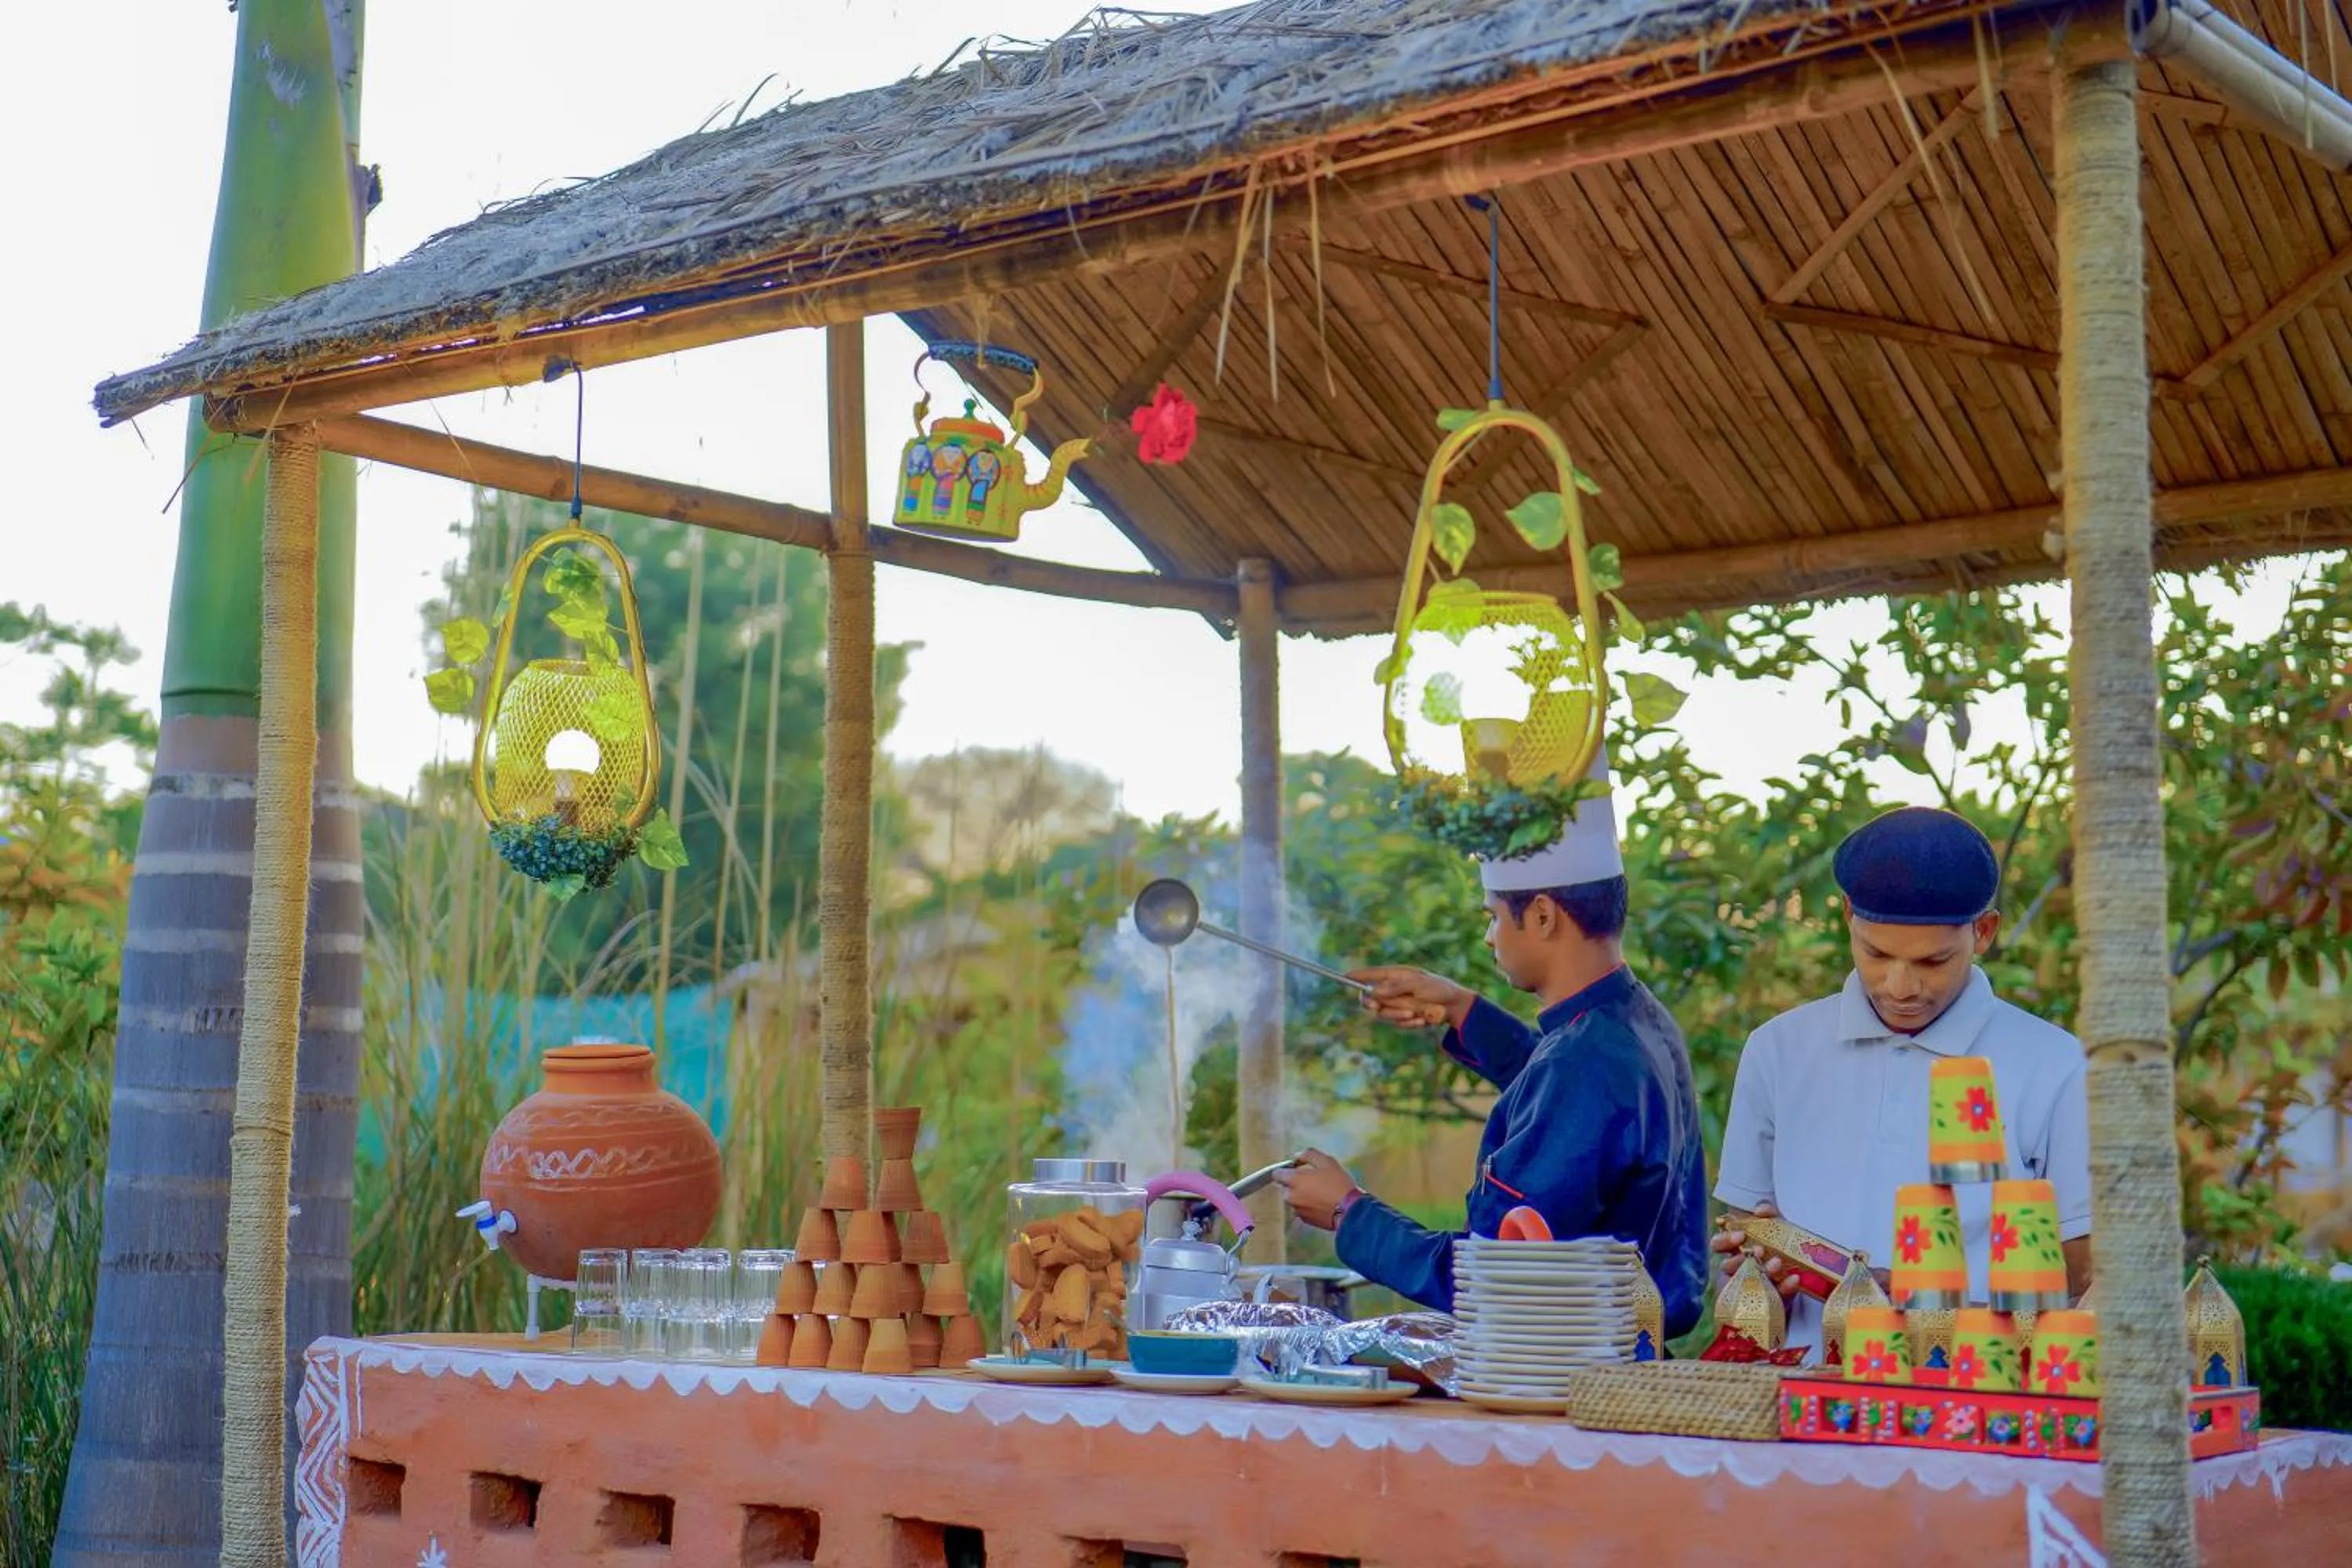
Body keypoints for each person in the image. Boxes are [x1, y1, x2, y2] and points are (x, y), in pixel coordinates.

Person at [1276, 753, 1710, 1338]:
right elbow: (1568, 1099)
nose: (1488, 936)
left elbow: (1497, 1279)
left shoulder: (1584, 1063)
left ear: (1543, 915)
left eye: (1494, 917)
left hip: (1568, 1377)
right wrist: (1461, 1009)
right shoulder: (1634, 1019)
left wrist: (1349, 1212)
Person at [1711, 806, 2093, 1359]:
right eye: (1876, 954)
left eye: (1933, 962)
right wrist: (1758, 1274)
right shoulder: (1778, 1049)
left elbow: (2086, 1287)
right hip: (1802, 1403)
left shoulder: (2055, 1065)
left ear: (1983, 932)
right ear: (1846, 915)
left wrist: (1927, 1312)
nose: (1901, 986)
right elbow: (1739, 1258)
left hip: (1977, 1411)